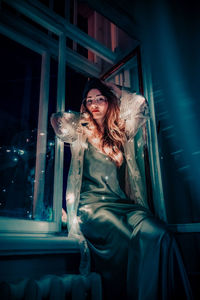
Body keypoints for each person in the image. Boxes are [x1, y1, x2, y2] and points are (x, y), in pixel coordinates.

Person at [51, 78, 193, 300]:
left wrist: (117, 91)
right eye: (89, 101)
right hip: (93, 208)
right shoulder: (80, 132)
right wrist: (85, 117)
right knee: (129, 240)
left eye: (100, 99)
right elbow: (57, 121)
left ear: (109, 102)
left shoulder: (119, 134)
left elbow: (139, 103)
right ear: (84, 105)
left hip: (121, 204)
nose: (95, 104)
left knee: (160, 234)